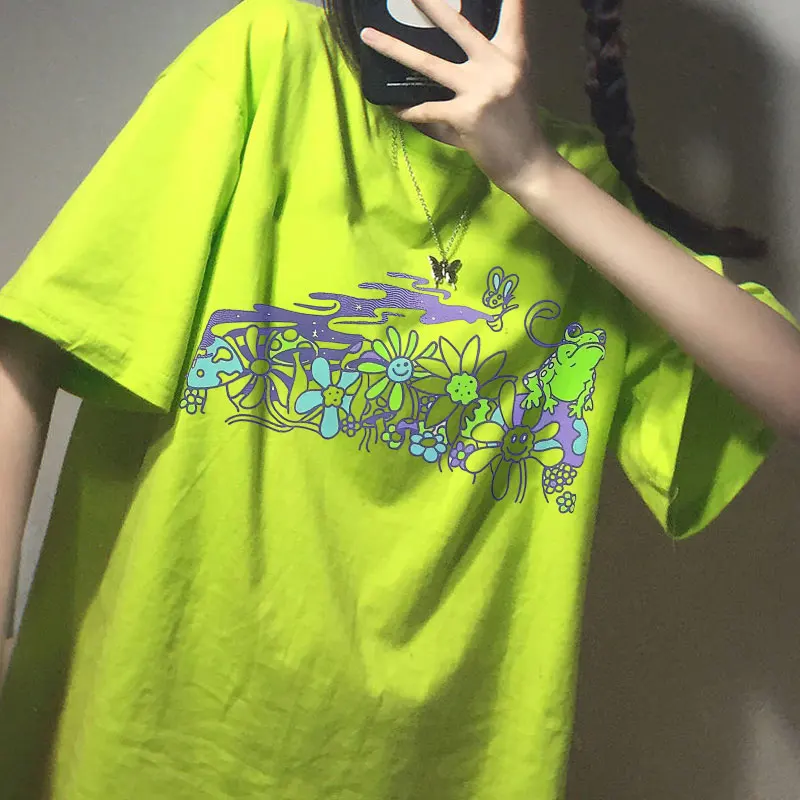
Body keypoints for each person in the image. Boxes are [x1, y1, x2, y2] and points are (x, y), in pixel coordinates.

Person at [0, 0, 798, 796]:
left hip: (443, 764)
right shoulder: (270, 56)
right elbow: (33, 340)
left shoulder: (581, 193)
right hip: (163, 741)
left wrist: (534, 174)